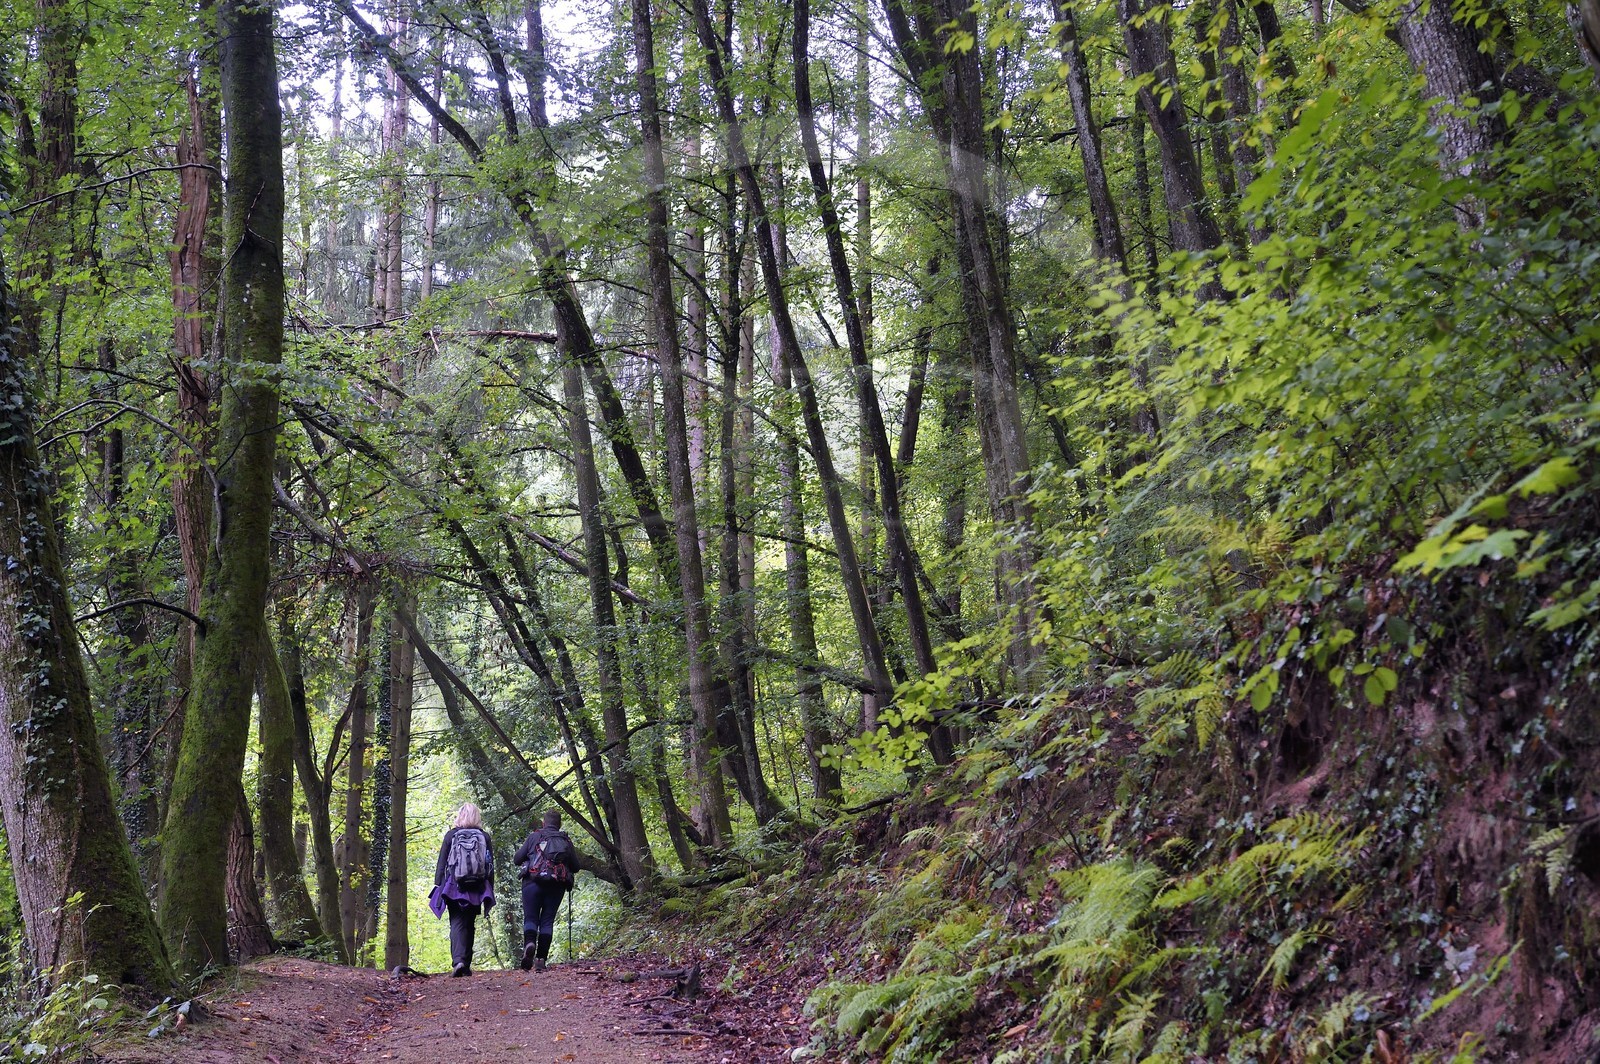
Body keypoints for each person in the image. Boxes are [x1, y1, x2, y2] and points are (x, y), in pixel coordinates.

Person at [429, 802, 495, 976]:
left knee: (456, 921)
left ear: (460, 816)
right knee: (470, 921)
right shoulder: (484, 837)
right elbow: (490, 865)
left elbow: (442, 862)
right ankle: (465, 963)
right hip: (477, 885)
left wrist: (438, 884)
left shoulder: (451, 835)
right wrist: (490, 887)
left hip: (454, 885)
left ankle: (458, 961)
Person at [512, 809, 578, 971]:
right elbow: (576, 866)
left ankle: (529, 943)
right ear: (559, 824)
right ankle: (541, 959)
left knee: (531, 918)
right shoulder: (565, 840)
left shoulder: (534, 836)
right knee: (547, 921)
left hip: (532, 883)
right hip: (556, 885)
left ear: (544, 822)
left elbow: (517, 859)